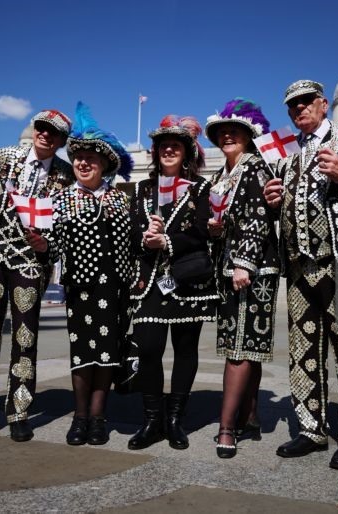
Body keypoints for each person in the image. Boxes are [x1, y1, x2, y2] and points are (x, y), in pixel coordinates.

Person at [263, 80, 338, 469]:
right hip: (300, 266)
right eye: (292, 106)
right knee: (303, 352)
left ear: (323, 103)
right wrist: (274, 200)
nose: (299, 109)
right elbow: (287, 206)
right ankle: (312, 428)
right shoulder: (288, 155)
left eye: (305, 103)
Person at [0, 109, 75, 444]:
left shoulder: (65, 174)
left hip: (29, 260)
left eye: (53, 132)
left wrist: (46, 246)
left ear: (61, 140)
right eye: (41, 128)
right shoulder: (5, 156)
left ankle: (19, 410)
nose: (45, 135)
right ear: (34, 130)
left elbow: (62, 228)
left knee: (25, 336)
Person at [127, 115, 217, 451]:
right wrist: (144, 237)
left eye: (175, 145)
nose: (168, 149)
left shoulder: (201, 188)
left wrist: (167, 241)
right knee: (148, 348)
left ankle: (175, 419)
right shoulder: (141, 189)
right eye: (163, 145)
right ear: (155, 151)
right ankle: (152, 420)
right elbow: (130, 232)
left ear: (186, 151)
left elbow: (200, 233)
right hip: (149, 281)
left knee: (185, 350)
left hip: (187, 281)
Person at [50, 102, 134, 446]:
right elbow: (54, 246)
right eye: (78, 158)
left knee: (108, 353)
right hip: (81, 289)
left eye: (91, 158)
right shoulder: (61, 199)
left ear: (105, 165)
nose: (83, 163)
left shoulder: (120, 200)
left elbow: (132, 245)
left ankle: (99, 417)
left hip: (116, 289)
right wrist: (41, 244)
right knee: (82, 353)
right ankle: (80, 416)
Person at [204, 99, 280, 458]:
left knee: (239, 348)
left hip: (253, 268)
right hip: (228, 266)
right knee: (246, 346)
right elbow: (227, 225)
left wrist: (244, 262)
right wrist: (215, 230)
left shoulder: (256, 168)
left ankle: (226, 427)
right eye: (222, 132)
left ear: (250, 136)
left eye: (235, 131)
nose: (228, 136)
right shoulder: (220, 176)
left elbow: (259, 217)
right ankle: (250, 414)